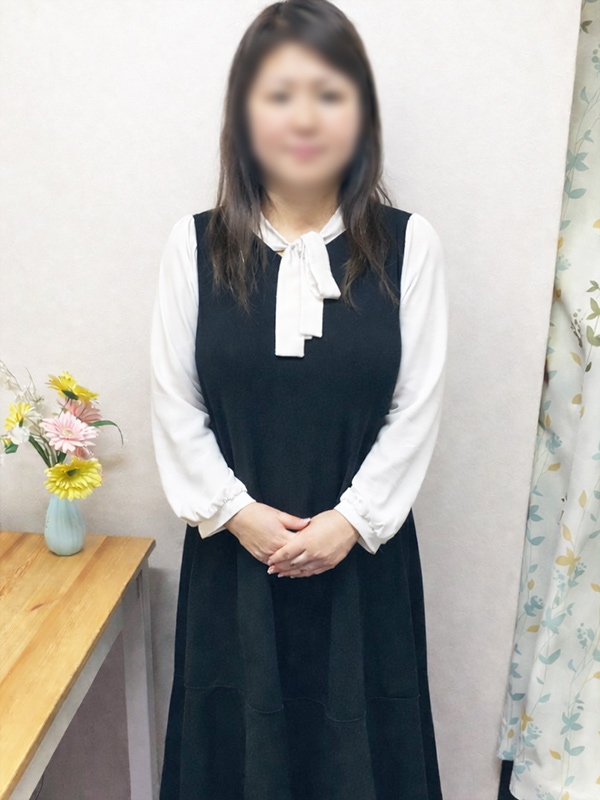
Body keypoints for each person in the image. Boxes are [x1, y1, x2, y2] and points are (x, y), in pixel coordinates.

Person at [150, 1, 449, 798]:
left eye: (330, 93)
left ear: (362, 113)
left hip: (364, 563)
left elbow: (415, 409)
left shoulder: (409, 246)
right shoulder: (194, 245)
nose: (305, 117)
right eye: (279, 94)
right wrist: (236, 512)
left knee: (359, 749)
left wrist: (351, 522)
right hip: (233, 560)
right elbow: (176, 406)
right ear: (244, 115)